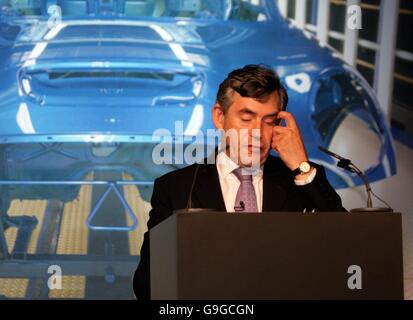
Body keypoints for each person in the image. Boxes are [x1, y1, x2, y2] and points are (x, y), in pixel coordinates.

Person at [133, 64, 346, 299]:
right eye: (247, 118)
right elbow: (146, 284)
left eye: (269, 121)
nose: (257, 132)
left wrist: (302, 167)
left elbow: (347, 250)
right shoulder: (176, 188)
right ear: (220, 117)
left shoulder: (300, 180)